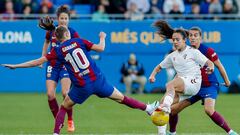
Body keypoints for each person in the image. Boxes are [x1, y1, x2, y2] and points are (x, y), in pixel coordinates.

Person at [2, 26, 160, 135]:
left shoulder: (58, 51)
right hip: (98, 81)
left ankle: (56, 133)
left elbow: (38, 61)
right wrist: (103, 37)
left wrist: (17, 65)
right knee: (122, 98)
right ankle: (148, 109)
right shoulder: (79, 41)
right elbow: (101, 48)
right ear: (68, 35)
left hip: (82, 87)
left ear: (57, 38)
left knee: (63, 107)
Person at [166, 27, 238, 135]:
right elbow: (182, 71)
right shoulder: (186, 51)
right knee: (172, 110)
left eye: (196, 35)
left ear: (200, 38)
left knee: (209, 110)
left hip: (209, 86)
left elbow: (219, 66)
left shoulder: (208, 51)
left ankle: (230, 132)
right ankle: (172, 133)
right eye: (191, 35)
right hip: (193, 87)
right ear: (188, 38)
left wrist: (227, 81)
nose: (193, 38)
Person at [149, 20, 215, 117]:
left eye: (177, 40)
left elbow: (209, 62)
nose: (175, 42)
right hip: (184, 86)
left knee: (170, 85)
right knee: (160, 107)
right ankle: (162, 131)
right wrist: (152, 75)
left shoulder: (193, 52)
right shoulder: (172, 56)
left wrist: (211, 68)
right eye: (173, 40)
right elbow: (159, 67)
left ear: (184, 40)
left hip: (193, 83)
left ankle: (166, 106)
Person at [40, 5, 80, 132]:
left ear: (69, 19)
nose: (63, 20)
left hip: (65, 65)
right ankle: (59, 120)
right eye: (61, 18)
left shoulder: (72, 32)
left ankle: (70, 119)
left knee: (65, 93)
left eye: (65, 18)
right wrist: (42, 58)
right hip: (52, 64)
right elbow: (46, 42)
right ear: (57, 19)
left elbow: (79, 46)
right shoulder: (52, 30)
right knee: (50, 95)